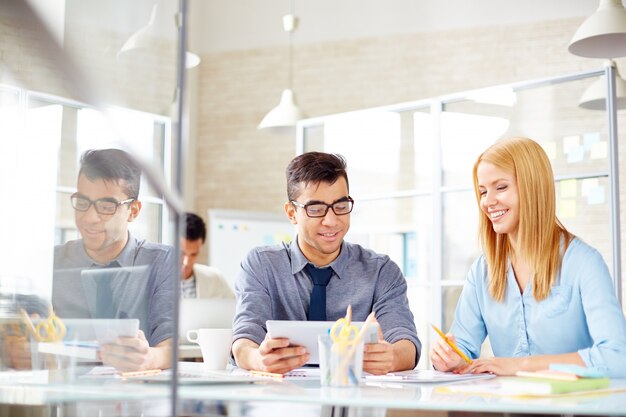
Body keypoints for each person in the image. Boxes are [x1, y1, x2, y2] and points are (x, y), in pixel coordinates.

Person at [430, 137, 626, 377]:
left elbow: (618, 357)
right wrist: (448, 357)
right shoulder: (482, 271)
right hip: (509, 410)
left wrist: (520, 365)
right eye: (482, 191)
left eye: (500, 187)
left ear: (533, 187)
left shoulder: (584, 264)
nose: (488, 202)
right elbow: (463, 350)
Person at [232, 152, 420, 375]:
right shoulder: (262, 265)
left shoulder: (380, 270)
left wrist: (392, 357)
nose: (331, 221)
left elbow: (406, 342)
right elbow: (244, 338)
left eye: (340, 206)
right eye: (316, 209)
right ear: (292, 213)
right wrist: (257, 359)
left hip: (355, 399)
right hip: (281, 399)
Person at [52, 148, 176, 372]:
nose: (90, 218)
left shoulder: (160, 261)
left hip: (135, 397)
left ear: (133, 211)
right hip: (66, 394)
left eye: (106, 206)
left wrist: (148, 358)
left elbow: (170, 345)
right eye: (82, 202)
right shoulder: (53, 263)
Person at [180, 212, 234, 299]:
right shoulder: (157, 280)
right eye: (182, 253)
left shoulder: (215, 278)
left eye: (194, 254)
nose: (187, 262)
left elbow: (234, 308)